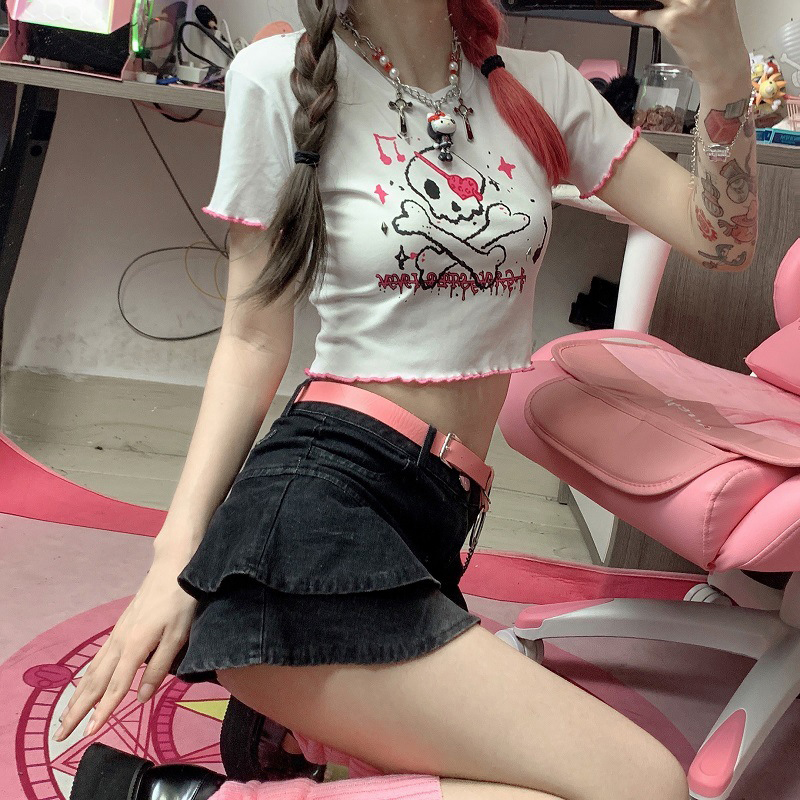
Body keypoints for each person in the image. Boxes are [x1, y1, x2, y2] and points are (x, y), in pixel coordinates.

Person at [58, 1, 758, 799]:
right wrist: (172, 563)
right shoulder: (276, 77)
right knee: (645, 788)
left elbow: (722, 240)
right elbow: (252, 338)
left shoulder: (540, 87)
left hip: (438, 513)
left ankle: (292, 739)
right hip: (319, 508)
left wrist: (723, 69)